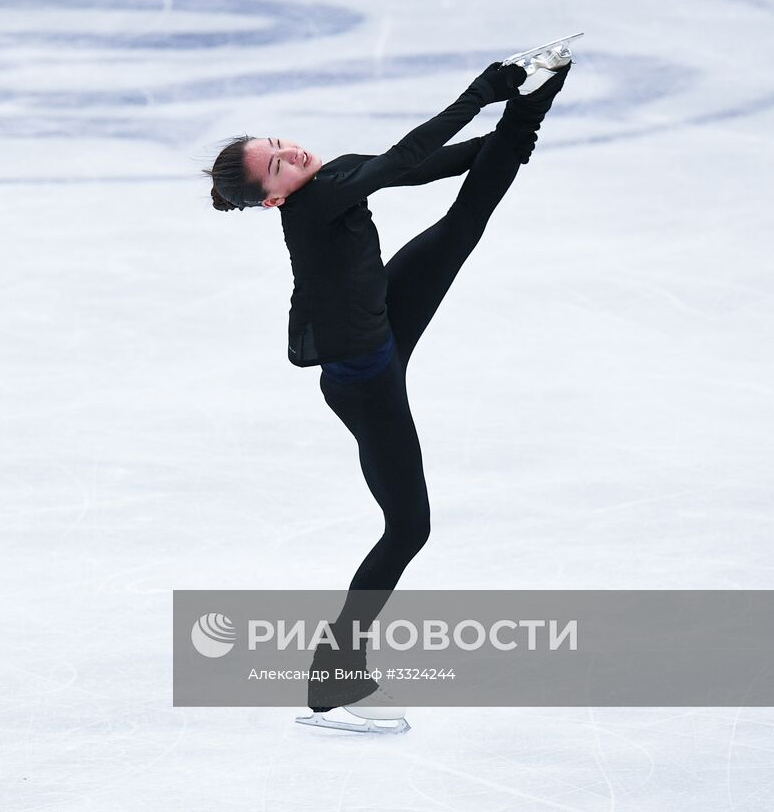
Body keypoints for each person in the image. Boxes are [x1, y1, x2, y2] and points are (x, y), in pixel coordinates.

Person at [202, 49, 572, 713]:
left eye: (281, 143)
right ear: (274, 197)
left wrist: (519, 120)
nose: (292, 152)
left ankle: (542, 89)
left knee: (464, 223)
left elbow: (427, 166)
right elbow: (404, 158)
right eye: (278, 163)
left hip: (381, 327)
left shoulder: (336, 174)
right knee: (407, 528)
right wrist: (482, 93)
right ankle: (331, 672)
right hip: (364, 382)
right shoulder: (310, 208)